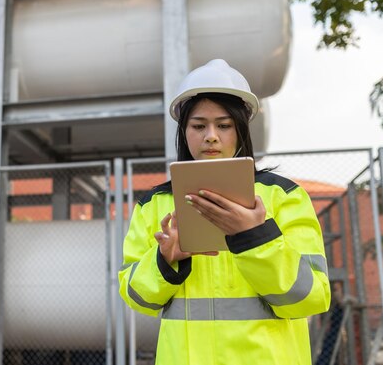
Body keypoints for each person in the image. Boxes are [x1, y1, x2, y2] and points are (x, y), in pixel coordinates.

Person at [118, 59, 330, 364]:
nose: (211, 136)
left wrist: (257, 238)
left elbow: (312, 298)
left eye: (224, 125)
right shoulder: (154, 205)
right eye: (199, 125)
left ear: (241, 129)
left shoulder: (285, 197)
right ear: (184, 130)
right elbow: (137, 298)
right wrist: (164, 261)